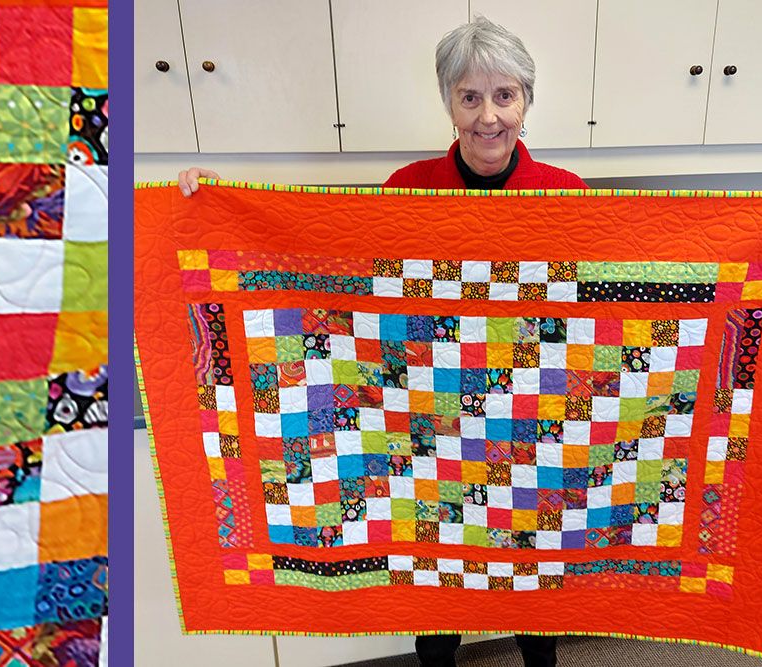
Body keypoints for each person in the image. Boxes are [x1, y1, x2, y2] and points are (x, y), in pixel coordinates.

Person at [177, 15, 583, 667]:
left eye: (503, 95)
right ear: (448, 102)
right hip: (428, 418)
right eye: (469, 96)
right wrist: (215, 205)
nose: (488, 117)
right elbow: (328, 269)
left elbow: (597, 306)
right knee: (433, 583)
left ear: (526, 100)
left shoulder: (568, 198)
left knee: (531, 577)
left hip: (525, 417)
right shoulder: (409, 190)